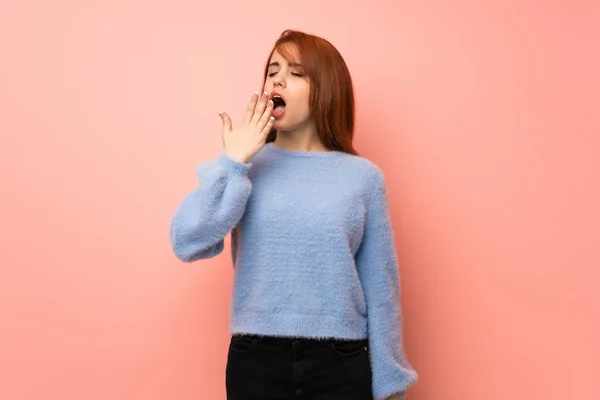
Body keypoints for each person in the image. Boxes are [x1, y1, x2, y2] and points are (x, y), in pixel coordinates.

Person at [169, 29, 418, 400]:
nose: (277, 80)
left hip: (340, 363)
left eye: (296, 72)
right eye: (273, 70)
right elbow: (188, 240)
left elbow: (382, 290)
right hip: (255, 362)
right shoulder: (245, 168)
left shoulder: (362, 179)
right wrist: (233, 161)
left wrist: (390, 384)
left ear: (326, 89)